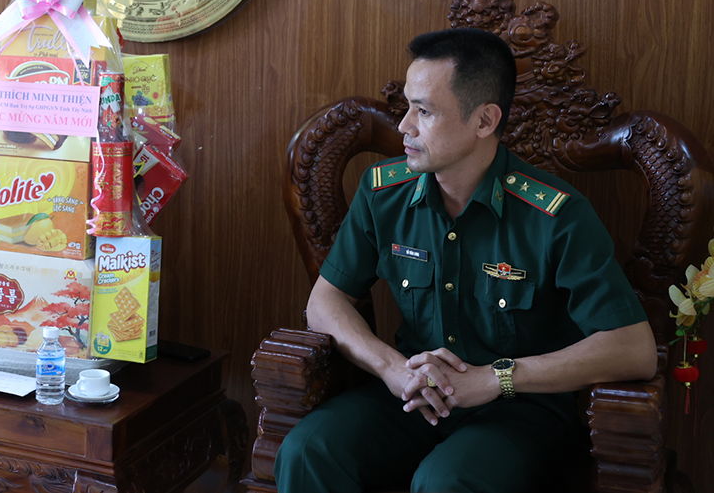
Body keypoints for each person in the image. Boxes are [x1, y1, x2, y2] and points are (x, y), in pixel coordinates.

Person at [274, 28, 657, 493]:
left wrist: (497, 379)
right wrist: (392, 368)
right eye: (407, 107)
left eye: (424, 111)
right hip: (413, 393)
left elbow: (632, 349)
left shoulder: (555, 215)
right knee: (306, 452)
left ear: (484, 120)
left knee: (445, 482)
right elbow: (325, 302)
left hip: (518, 410)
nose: (404, 126)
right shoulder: (382, 192)